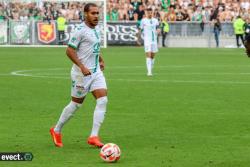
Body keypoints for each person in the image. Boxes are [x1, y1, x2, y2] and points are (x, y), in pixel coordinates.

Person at [50, 3, 108, 148]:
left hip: (95, 72)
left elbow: (92, 48)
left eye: (97, 13)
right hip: (81, 75)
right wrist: (81, 67)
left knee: (103, 100)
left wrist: (100, 59)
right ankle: (56, 130)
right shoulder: (80, 30)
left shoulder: (96, 29)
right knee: (76, 104)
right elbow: (69, 50)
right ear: (85, 14)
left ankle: (93, 136)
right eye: (93, 13)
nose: (96, 16)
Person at [140, 8, 160, 76]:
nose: (150, 13)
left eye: (151, 12)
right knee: (148, 55)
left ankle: (151, 69)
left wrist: (158, 31)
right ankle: (149, 72)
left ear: (152, 13)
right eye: (148, 12)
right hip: (147, 40)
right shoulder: (143, 21)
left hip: (154, 40)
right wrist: (138, 39)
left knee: (153, 56)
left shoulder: (155, 20)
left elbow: (158, 28)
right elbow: (140, 29)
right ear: (146, 13)